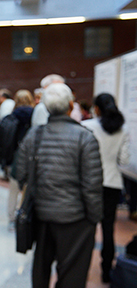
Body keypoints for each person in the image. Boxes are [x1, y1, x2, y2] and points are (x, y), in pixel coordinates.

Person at [15, 83, 103, 288]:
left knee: (41, 268)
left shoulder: (34, 135)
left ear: (45, 107)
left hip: (42, 216)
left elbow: (21, 175)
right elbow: (92, 185)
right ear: (71, 106)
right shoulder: (85, 138)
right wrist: (94, 218)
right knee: (72, 273)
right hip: (76, 218)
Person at [81, 93, 130, 283]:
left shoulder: (87, 127)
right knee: (108, 229)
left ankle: (82, 268)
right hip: (112, 183)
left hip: (91, 182)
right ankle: (106, 272)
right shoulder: (122, 129)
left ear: (97, 108)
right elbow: (124, 160)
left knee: (88, 228)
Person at [4, 89, 34, 230]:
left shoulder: (11, 117)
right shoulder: (35, 116)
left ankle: (11, 218)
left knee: (13, 189)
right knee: (27, 189)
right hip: (30, 158)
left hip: (15, 157)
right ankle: (24, 216)